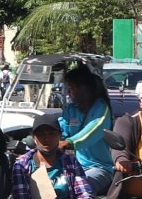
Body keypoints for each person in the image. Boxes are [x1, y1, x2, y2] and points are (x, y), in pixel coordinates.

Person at [57, 66, 113, 194]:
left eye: (71, 88)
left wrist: (69, 142)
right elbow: (60, 130)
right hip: (72, 167)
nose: (68, 92)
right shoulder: (71, 110)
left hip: (98, 168)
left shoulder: (101, 108)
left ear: (84, 89)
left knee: (77, 187)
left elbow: (93, 130)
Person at [14, 113, 94, 199]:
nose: (47, 138)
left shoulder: (71, 161)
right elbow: (21, 195)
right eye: (41, 134)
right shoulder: (22, 165)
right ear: (34, 138)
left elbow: (84, 192)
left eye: (52, 133)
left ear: (59, 135)